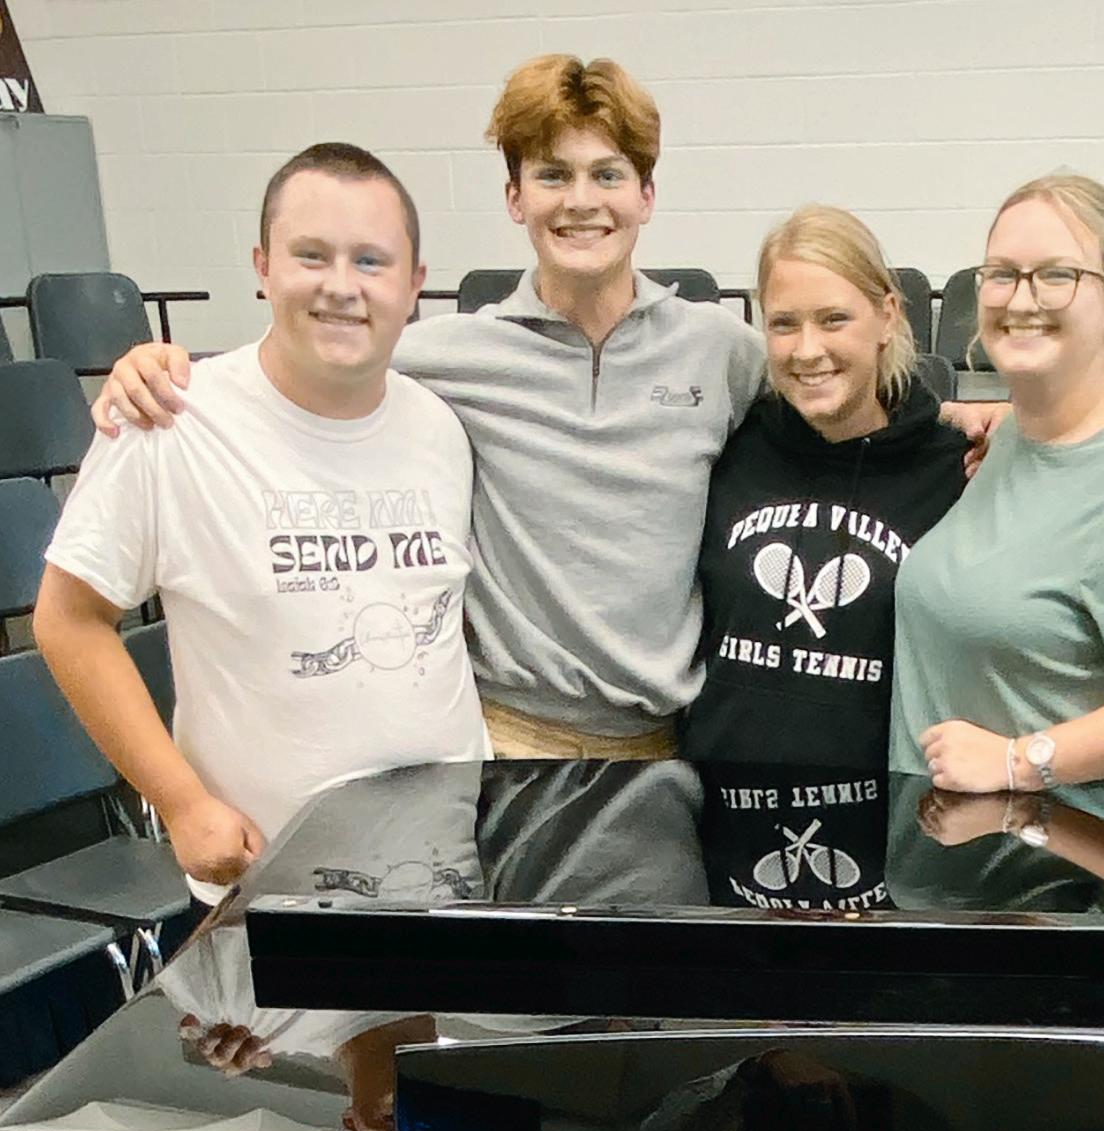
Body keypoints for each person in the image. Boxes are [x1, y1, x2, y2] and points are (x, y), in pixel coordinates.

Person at [87, 55, 995, 763]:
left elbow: (834, 390)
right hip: (508, 739)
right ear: (515, 197)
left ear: (646, 195)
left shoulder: (722, 352)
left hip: (665, 745)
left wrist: (966, 421)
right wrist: (168, 366)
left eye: (608, 174)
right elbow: (319, 349)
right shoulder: (449, 356)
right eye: (553, 175)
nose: (581, 201)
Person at [34, 143, 488, 905]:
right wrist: (181, 802)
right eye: (312, 255)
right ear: (263, 266)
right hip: (269, 885)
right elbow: (69, 620)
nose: (341, 285)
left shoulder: (441, 429)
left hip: (447, 874)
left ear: (414, 284)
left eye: (370, 261)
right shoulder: (169, 421)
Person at [889, 172, 1104, 840]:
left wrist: (1018, 760)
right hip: (968, 859)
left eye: (1057, 275)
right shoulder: (1010, 439)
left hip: (1077, 875)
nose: (1021, 299)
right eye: (1002, 274)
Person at [682, 206, 966, 769]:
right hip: (723, 801)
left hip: (887, 805)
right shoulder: (730, 445)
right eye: (784, 324)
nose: (807, 350)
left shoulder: (955, 469)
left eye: (834, 319)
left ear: (887, 317)